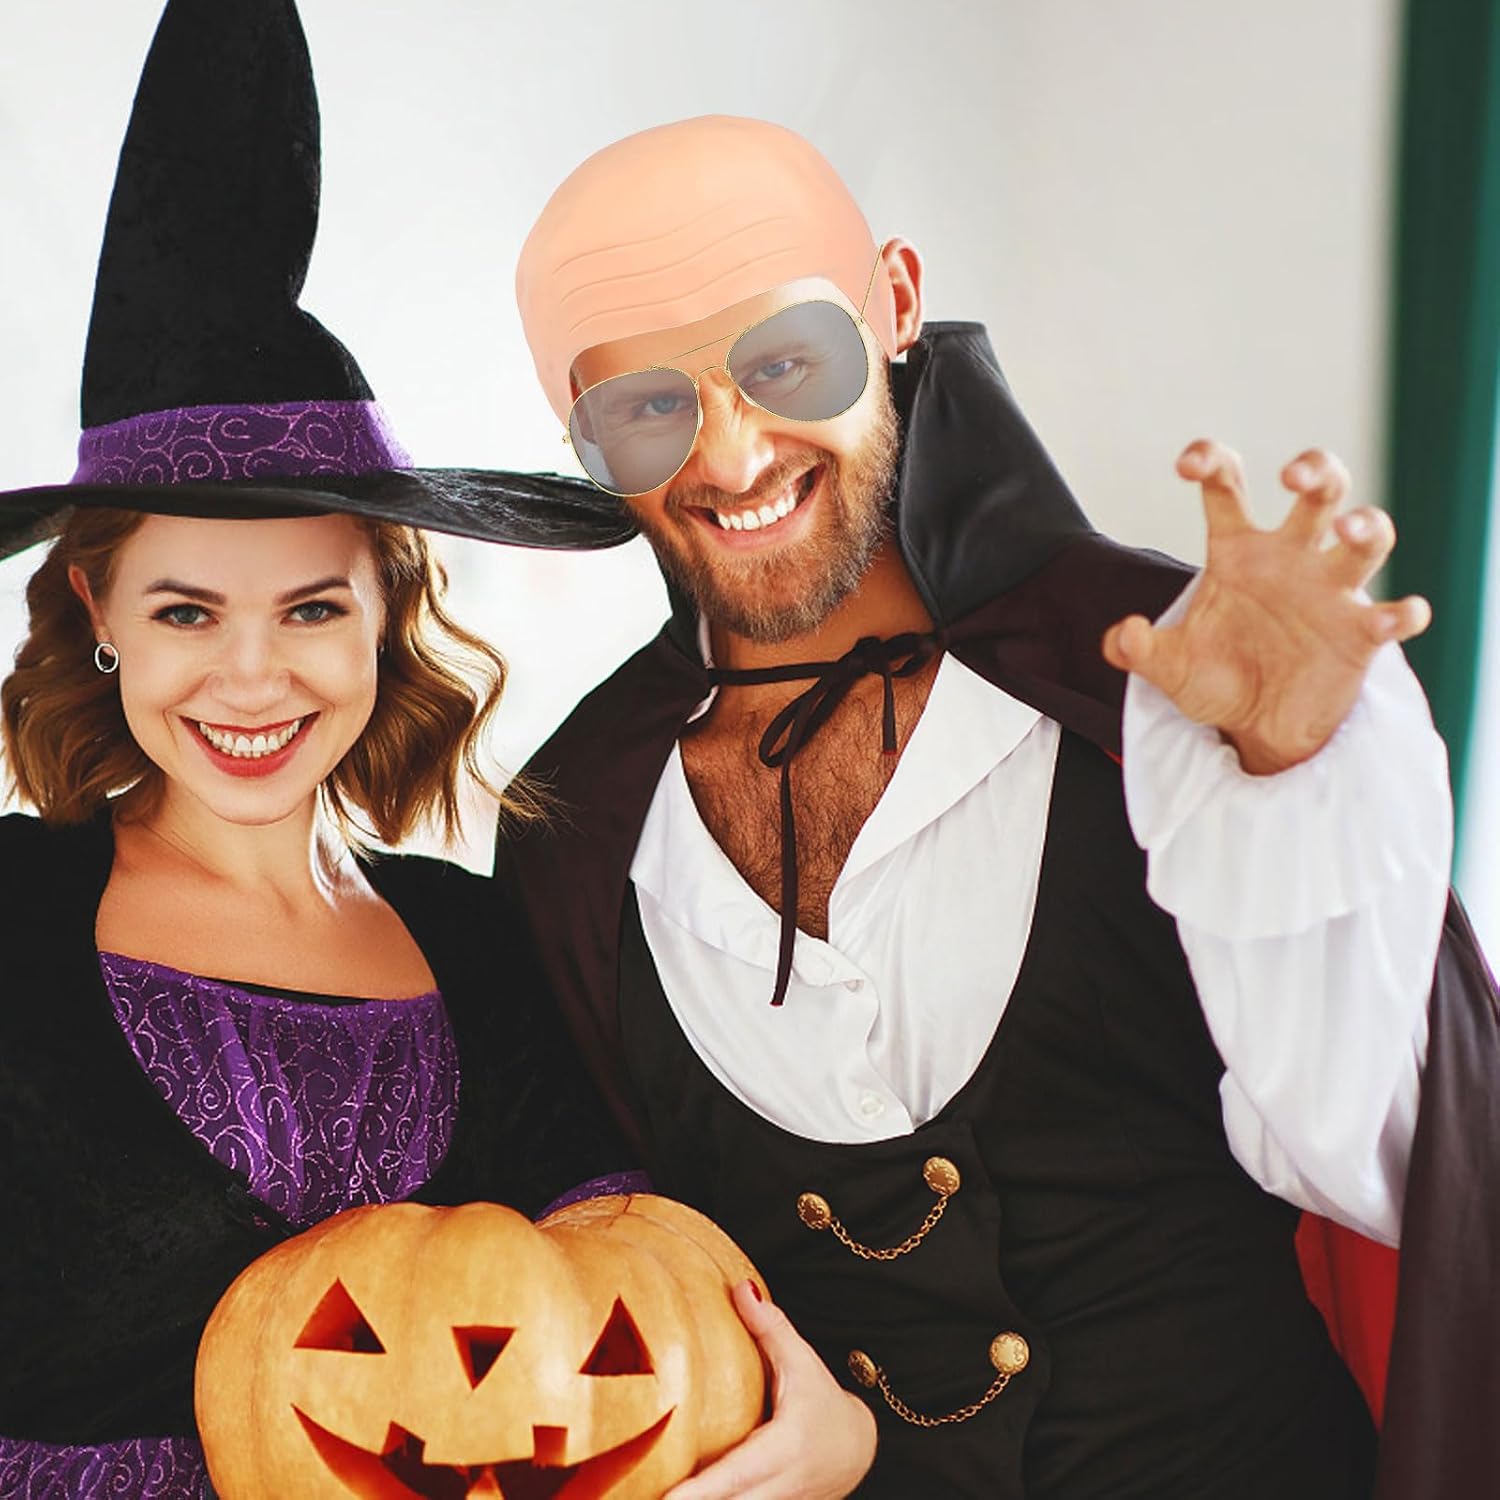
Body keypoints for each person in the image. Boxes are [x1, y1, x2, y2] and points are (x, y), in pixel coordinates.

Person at [496, 114, 1500, 1498]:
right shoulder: (575, 827)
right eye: (646, 408)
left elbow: (1391, 1170)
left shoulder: (1158, 688)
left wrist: (1292, 778)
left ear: (896, 304)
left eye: (786, 362)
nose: (729, 457)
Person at [0, 3, 642, 1493]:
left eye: (310, 608)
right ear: (99, 610)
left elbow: (624, 1294)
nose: (252, 676)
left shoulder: (476, 940)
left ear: (386, 612)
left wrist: (810, 1414)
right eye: (186, 609)